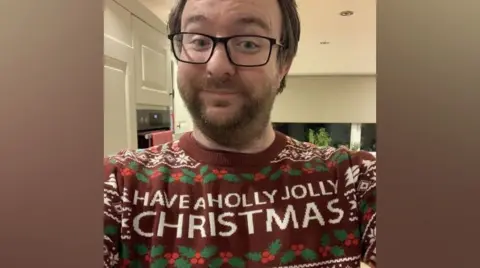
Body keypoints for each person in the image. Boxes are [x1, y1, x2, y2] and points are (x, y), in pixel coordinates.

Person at [103, 0, 377, 267]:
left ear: (284, 65)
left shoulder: (355, 180)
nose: (218, 66)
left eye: (248, 43)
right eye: (199, 40)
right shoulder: (118, 185)